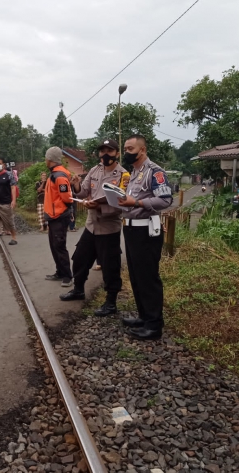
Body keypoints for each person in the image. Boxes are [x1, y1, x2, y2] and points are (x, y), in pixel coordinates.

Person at [59, 139, 125, 318]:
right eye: (102, 151)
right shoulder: (95, 170)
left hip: (109, 229)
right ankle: (78, 290)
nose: (105, 154)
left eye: (109, 151)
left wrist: (98, 207)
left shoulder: (123, 176)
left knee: (110, 266)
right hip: (91, 226)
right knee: (80, 259)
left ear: (117, 154)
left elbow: (122, 205)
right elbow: (82, 192)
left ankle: (111, 302)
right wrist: (77, 184)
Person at [117, 134, 173, 341]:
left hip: (146, 231)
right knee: (136, 276)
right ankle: (143, 316)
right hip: (131, 230)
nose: (126, 153)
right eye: (125, 149)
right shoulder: (134, 173)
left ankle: (154, 325)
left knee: (148, 278)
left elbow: (165, 200)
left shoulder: (155, 172)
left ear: (142, 150)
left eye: (130, 149)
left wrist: (137, 204)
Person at [43, 146, 74, 287]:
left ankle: (67, 275)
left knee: (59, 246)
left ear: (50, 159)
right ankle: (60, 271)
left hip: (59, 216)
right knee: (54, 245)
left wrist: (64, 210)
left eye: (46, 158)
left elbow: (67, 198)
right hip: (53, 215)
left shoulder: (59, 176)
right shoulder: (54, 174)